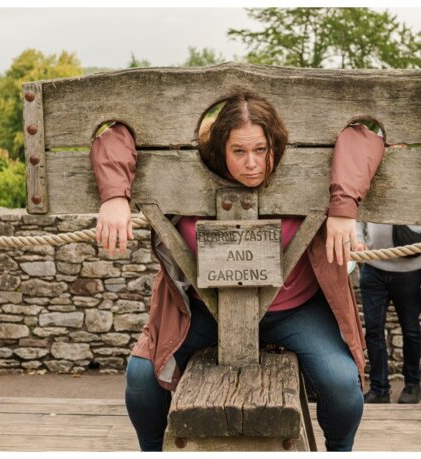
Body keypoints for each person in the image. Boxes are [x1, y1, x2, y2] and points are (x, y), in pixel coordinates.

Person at [89, 90, 384, 451]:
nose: (252, 164)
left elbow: (365, 133)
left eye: (261, 150)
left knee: (341, 383)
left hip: (296, 310)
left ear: (275, 144)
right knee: (140, 377)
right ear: (220, 150)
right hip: (202, 310)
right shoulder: (186, 172)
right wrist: (115, 194)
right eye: (239, 152)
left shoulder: (308, 171)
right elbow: (112, 131)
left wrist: (343, 205)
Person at [354, 223, 421, 404]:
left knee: (411, 331)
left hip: (410, 273)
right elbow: (359, 216)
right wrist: (358, 239)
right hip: (373, 269)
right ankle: (379, 389)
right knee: (373, 331)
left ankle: (413, 385)